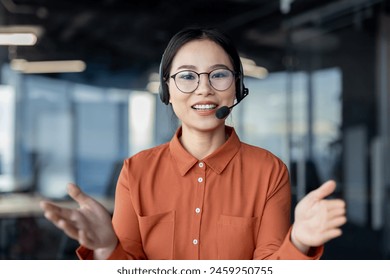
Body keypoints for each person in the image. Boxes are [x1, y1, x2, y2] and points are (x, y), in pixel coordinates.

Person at [40, 26, 347, 260]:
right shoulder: (136, 171)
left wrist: (299, 243)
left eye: (219, 75)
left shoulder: (268, 171)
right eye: (187, 77)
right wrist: (107, 247)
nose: (204, 89)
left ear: (237, 88)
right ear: (166, 91)